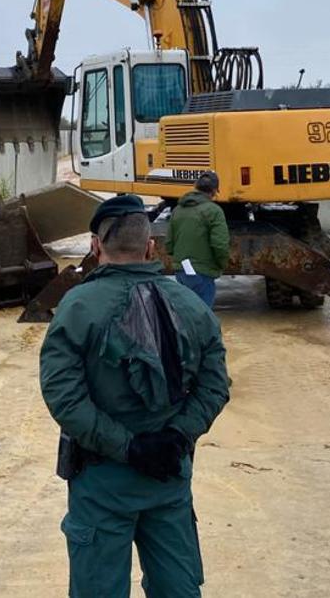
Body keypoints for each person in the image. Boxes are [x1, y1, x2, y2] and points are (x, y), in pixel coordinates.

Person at [39, 194, 230, 597]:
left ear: (95, 246)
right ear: (150, 247)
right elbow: (215, 387)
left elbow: (64, 397)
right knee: (177, 588)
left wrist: (128, 449)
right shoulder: (193, 306)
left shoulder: (76, 308)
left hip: (101, 481)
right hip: (169, 476)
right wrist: (177, 437)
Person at [166, 171, 230, 308]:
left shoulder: (177, 210)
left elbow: (169, 245)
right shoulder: (214, 211)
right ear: (214, 191)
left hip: (181, 271)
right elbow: (220, 244)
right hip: (202, 273)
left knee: (187, 315)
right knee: (202, 318)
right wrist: (222, 264)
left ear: (196, 187)